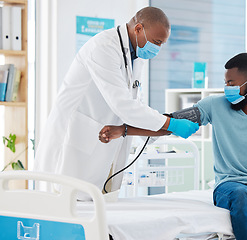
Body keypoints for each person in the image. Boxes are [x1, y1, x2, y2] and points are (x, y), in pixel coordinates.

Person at [99, 53, 247, 239]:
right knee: (241, 198)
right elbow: (170, 124)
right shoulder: (215, 105)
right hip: (230, 185)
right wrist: (124, 129)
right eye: (225, 82)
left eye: (231, 83)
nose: (226, 88)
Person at [34, 6, 199, 194]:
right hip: (77, 141)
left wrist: (160, 129)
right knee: (72, 204)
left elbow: (136, 103)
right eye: (156, 42)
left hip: (108, 143)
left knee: (101, 206)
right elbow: (123, 105)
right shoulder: (103, 48)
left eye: (162, 44)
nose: (158, 49)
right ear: (138, 29)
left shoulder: (137, 56)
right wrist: (170, 124)